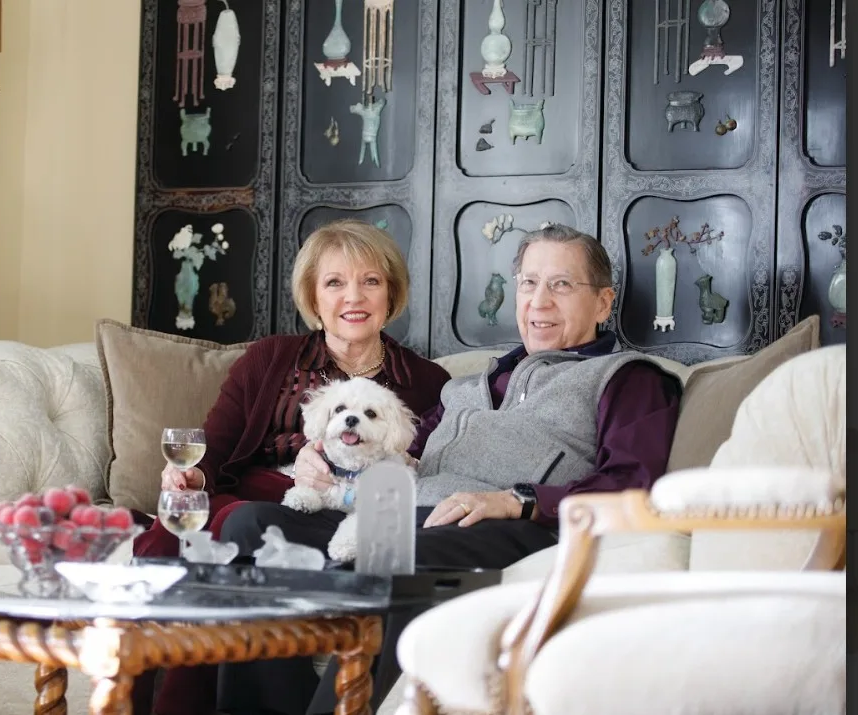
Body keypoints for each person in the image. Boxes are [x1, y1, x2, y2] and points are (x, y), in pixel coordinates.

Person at [216, 223, 684, 715]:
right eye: (528, 283)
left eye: (561, 285)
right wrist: (325, 456)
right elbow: (400, 452)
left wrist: (518, 501)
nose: (540, 301)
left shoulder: (627, 379)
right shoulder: (468, 385)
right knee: (253, 525)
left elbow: (632, 483)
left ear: (604, 303)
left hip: (506, 525)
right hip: (406, 510)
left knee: (396, 554)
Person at [129, 219, 452, 715]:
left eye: (371, 281)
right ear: (313, 296)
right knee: (171, 536)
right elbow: (215, 445)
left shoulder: (426, 383)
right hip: (251, 492)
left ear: (391, 293)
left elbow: (415, 470)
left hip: (332, 514)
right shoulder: (270, 358)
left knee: (226, 531)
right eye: (335, 282)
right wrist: (191, 475)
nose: (354, 297)